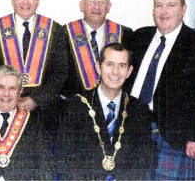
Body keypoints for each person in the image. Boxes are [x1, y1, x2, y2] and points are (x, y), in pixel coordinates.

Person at [126, 0, 195, 180]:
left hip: (176, 137)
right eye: (159, 5)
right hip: (134, 131)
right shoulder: (139, 37)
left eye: (171, 5)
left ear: (183, 9)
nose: (163, 11)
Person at [54, 43, 152, 180]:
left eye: (122, 65)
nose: (115, 72)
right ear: (98, 67)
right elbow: (64, 158)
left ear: (129, 71)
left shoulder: (139, 109)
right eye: (109, 64)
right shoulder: (75, 106)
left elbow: (143, 161)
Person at [0, 0, 68, 135]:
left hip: (44, 111)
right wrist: (8, 99)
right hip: (3, 108)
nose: (25, 1)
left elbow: (60, 73)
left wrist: (36, 100)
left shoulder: (54, 30)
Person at [62, 0, 133, 96]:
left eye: (102, 2)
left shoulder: (125, 34)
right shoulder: (64, 33)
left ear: (108, 7)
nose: (97, 7)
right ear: (82, 6)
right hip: (73, 103)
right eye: (91, 2)